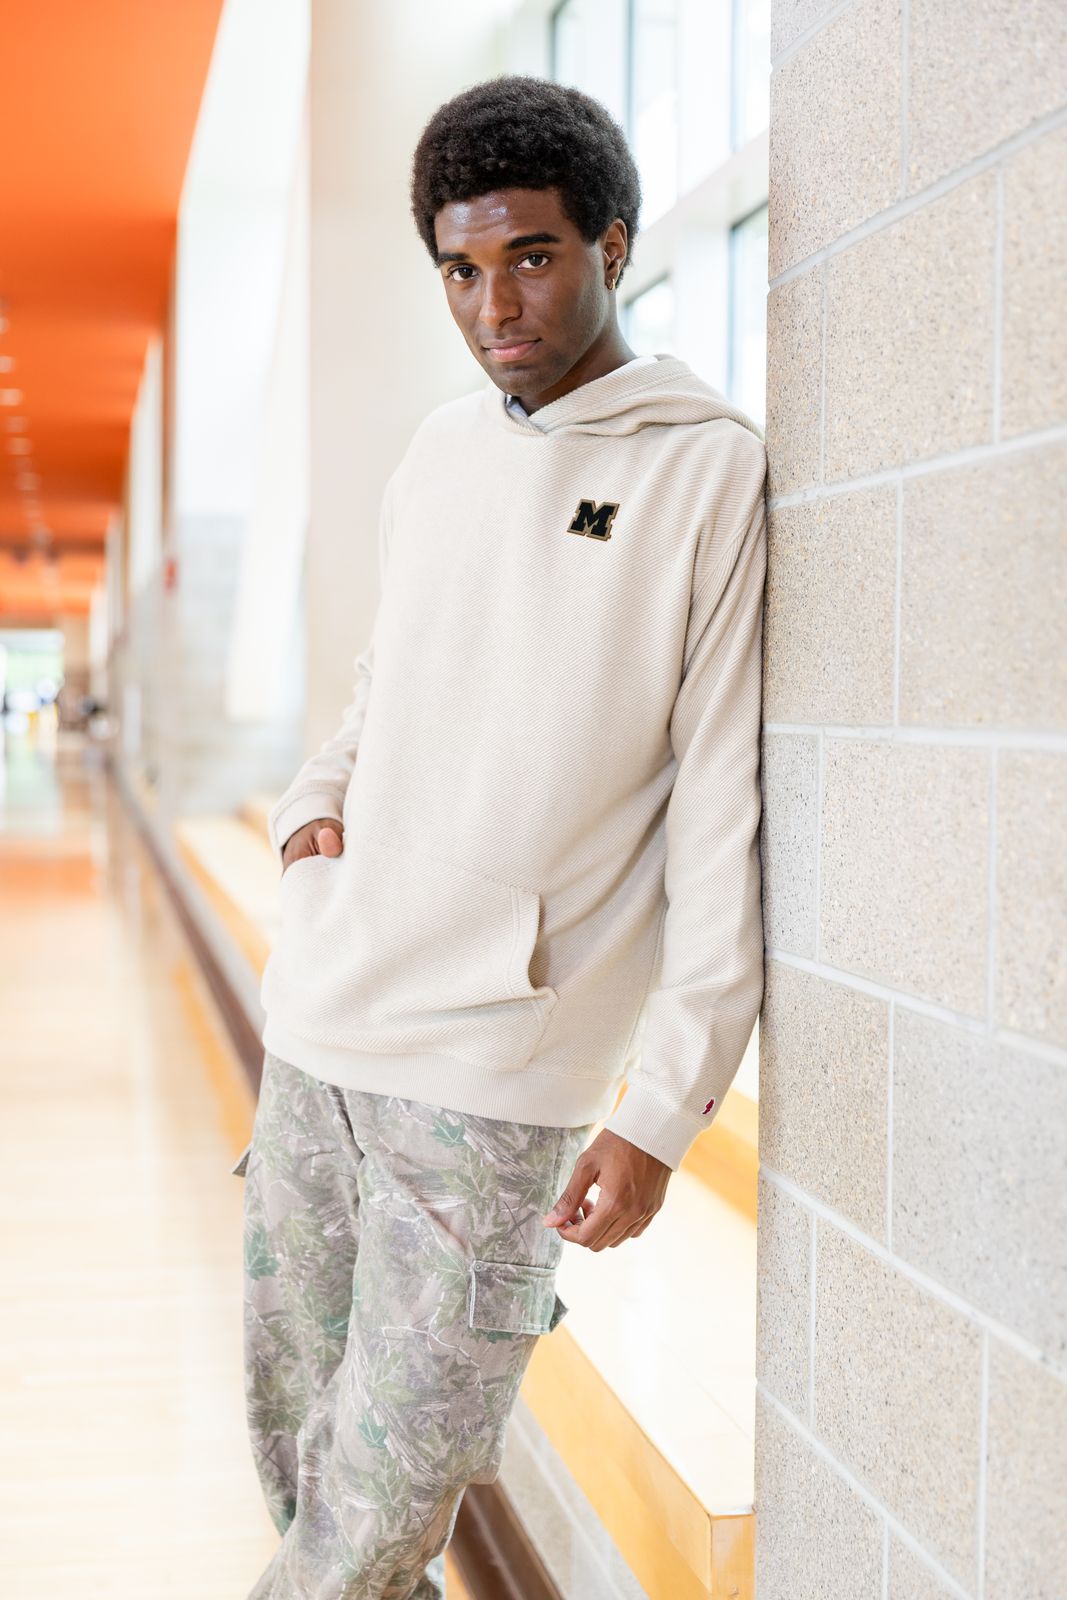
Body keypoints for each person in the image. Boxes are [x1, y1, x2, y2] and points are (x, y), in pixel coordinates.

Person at [234, 72, 767, 1599]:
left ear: (612, 242)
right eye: (462, 269)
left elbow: (721, 809)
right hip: (323, 1032)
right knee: (301, 1461)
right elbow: (383, 687)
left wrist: (663, 1108)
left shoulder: (704, 471)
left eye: (531, 255)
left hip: (493, 1081)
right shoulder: (442, 455)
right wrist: (310, 814)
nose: (494, 302)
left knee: (379, 1509)